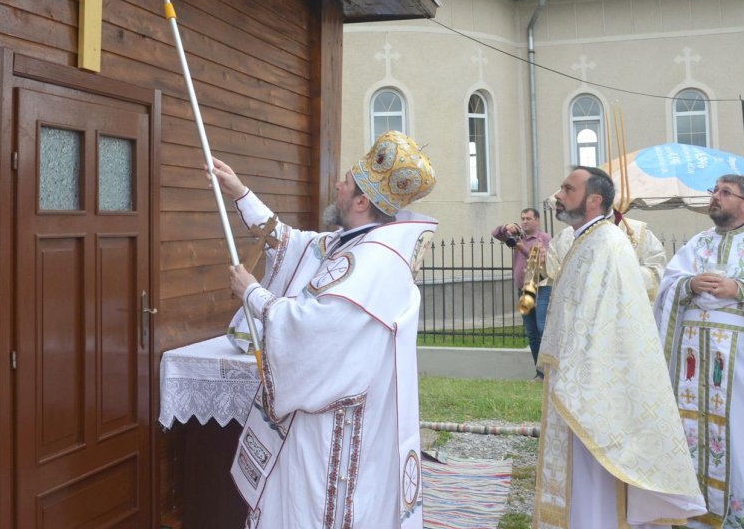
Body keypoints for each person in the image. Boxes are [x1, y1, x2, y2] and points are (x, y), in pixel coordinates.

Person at [214, 131, 437, 529]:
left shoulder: (372, 263)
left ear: (361, 201)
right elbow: (289, 242)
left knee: (312, 510)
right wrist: (240, 193)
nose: (337, 184)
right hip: (324, 413)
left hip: (333, 426)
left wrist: (252, 294)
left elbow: (309, 329)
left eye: (347, 181)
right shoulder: (353, 241)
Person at [534, 166, 704, 528]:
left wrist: (577, 373)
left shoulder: (606, 244)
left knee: (595, 472)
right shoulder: (586, 239)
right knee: (582, 469)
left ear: (594, 200)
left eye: (568, 188)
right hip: (577, 372)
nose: (558, 195)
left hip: (594, 379)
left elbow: (605, 318)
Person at [655, 174, 744, 527]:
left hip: (743, 366)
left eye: (726, 193)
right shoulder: (697, 243)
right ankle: (690, 512)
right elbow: (667, 286)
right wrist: (689, 283)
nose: (716, 197)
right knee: (688, 428)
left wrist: (741, 290)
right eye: (715, 191)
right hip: (693, 362)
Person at [547, 207, 667, 301]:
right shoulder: (564, 238)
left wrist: (616, 273)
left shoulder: (638, 232)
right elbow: (555, 276)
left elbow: (656, 272)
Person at [492, 208, 551, 375]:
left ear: (537, 221)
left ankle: (549, 370)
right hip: (524, 290)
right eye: (522, 218)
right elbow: (495, 234)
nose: (525, 221)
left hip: (541, 288)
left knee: (542, 329)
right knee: (532, 332)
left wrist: (521, 248)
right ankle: (540, 373)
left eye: (529, 218)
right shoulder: (518, 237)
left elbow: (543, 260)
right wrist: (507, 227)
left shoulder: (543, 238)